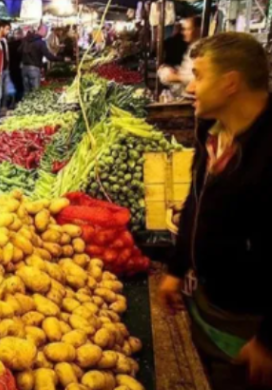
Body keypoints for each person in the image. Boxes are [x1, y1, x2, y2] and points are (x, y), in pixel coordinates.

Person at [157, 32, 272, 390]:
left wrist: (268, 341)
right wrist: (177, 268)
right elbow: (196, 199)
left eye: (199, 76)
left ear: (231, 83)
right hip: (207, 302)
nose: (190, 88)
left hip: (250, 326)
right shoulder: (211, 130)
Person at [159, 16, 201, 97]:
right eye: (183, 29)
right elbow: (189, 70)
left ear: (198, 30)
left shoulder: (201, 49)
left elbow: (199, 77)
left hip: (193, 98)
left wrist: (176, 77)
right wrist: (173, 70)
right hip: (185, 94)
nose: (183, 32)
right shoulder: (192, 46)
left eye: (188, 29)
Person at [21, 28, 64, 94]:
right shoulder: (41, 42)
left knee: (26, 92)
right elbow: (49, 56)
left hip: (24, 68)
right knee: (35, 92)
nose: (46, 34)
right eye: (46, 32)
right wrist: (60, 58)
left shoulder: (25, 40)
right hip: (34, 68)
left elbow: (19, 51)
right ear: (43, 32)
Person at [8, 29, 25, 102]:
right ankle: (18, 100)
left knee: (14, 84)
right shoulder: (23, 44)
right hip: (19, 67)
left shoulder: (9, 44)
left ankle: (13, 100)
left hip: (11, 67)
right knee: (20, 85)